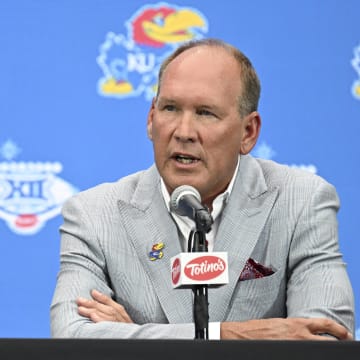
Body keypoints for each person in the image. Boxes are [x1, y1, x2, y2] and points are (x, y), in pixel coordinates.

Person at [50, 38, 354, 340]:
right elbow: (72, 335)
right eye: (170, 108)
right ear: (150, 119)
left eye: (205, 113)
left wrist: (133, 338)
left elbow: (325, 339)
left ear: (248, 132)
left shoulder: (301, 202)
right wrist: (234, 335)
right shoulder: (93, 214)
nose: (183, 132)